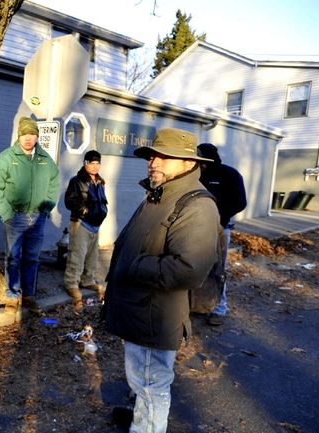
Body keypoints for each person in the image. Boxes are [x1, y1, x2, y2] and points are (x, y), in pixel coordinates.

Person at [103, 128, 221, 433]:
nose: (154, 161)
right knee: (142, 383)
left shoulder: (196, 205)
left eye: (165, 157)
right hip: (140, 310)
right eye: (153, 155)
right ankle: (140, 419)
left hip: (155, 318)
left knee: (152, 387)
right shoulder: (160, 194)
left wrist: (135, 266)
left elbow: (188, 268)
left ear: (188, 164)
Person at [0, 116, 59, 315]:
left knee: (32, 258)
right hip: (15, 217)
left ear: (37, 137)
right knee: (13, 257)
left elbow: (54, 184)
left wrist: (46, 208)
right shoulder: (6, 158)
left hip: (37, 217)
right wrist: (7, 213)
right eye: (24, 134)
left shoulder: (45, 160)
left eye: (32, 134)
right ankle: (11, 296)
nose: (28, 138)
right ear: (19, 136)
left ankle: (28, 295)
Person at [197, 142, 247, 326]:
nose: (200, 164)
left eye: (202, 160)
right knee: (194, 268)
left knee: (217, 270)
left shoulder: (229, 174)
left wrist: (220, 217)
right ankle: (197, 304)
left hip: (220, 230)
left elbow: (240, 202)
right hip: (196, 229)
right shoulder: (196, 175)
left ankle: (220, 308)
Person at [62, 150, 108, 305]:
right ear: (85, 163)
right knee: (77, 255)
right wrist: (83, 210)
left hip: (96, 224)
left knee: (92, 256)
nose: (95, 166)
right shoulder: (77, 180)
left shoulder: (100, 182)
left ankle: (87, 280)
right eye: (92, 163)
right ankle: (71, 284)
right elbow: (69, 201)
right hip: (81, 222)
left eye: (97, 163)